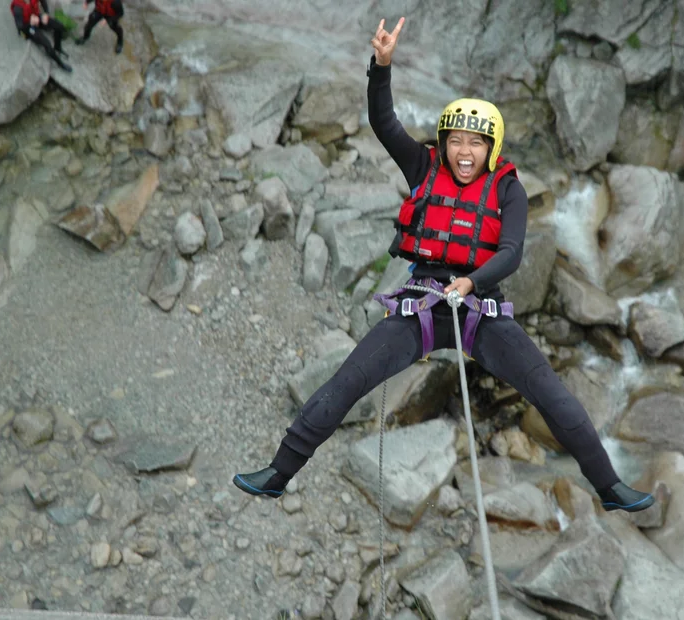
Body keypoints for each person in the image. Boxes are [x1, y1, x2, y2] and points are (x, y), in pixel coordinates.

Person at [233, 17, 654, 514]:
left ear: (491, 147)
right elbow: (384, 121)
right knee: (346, 383)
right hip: (421, 308)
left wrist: (472, 281)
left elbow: (512, 252)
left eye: (476, 143)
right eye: (456, 140)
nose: (464, 151)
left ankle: (609, 487)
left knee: (553, 396)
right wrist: (381, 67)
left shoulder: (507, 189)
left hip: (482, 313)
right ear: (444, 142)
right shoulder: (422, 167)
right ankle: (279, 474)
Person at [12, 0, 72, 72]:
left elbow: (43, 1)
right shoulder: (18, 7)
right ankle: (60, 64)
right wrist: (31, 23)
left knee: (59, 26)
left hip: (36, 16)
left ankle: (57, 46)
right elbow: (20, 27)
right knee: (47, 44)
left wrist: (46, 13)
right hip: (28, 27)